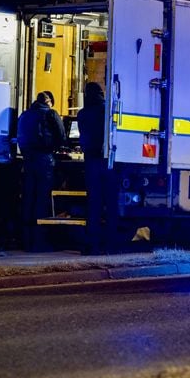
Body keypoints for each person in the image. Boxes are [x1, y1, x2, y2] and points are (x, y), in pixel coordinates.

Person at [16, 91, 67, 250]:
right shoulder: (51, 114)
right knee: (42, 199)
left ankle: (26, 240)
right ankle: (40, 242)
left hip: (27, 160)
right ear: (49, 102)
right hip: (44, 160)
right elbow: (61, 136)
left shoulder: (24, 115)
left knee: (28, 198)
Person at [77, 82, 112, 254]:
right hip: (108, 160)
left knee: (94, 203)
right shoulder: (108, 110)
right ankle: (110, 243)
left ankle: (93, 243)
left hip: (91, 162)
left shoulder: (82, 114)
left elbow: (83, 137)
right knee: (110, 203)